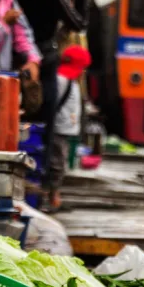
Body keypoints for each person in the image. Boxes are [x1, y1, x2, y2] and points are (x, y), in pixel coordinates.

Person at [14, 0, 88, 200]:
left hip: (17, 61)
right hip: (45, 62)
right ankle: (42, 187)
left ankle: (17, 184)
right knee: (47, 125)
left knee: (16, 122)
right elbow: (78, 23)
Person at [48, 45, 91, 211]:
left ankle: (54, 196)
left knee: (59, 163)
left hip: (64, 128)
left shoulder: (69, 81)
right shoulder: (61, 80)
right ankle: (52, 198)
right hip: (59, 128)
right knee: (56, 164)